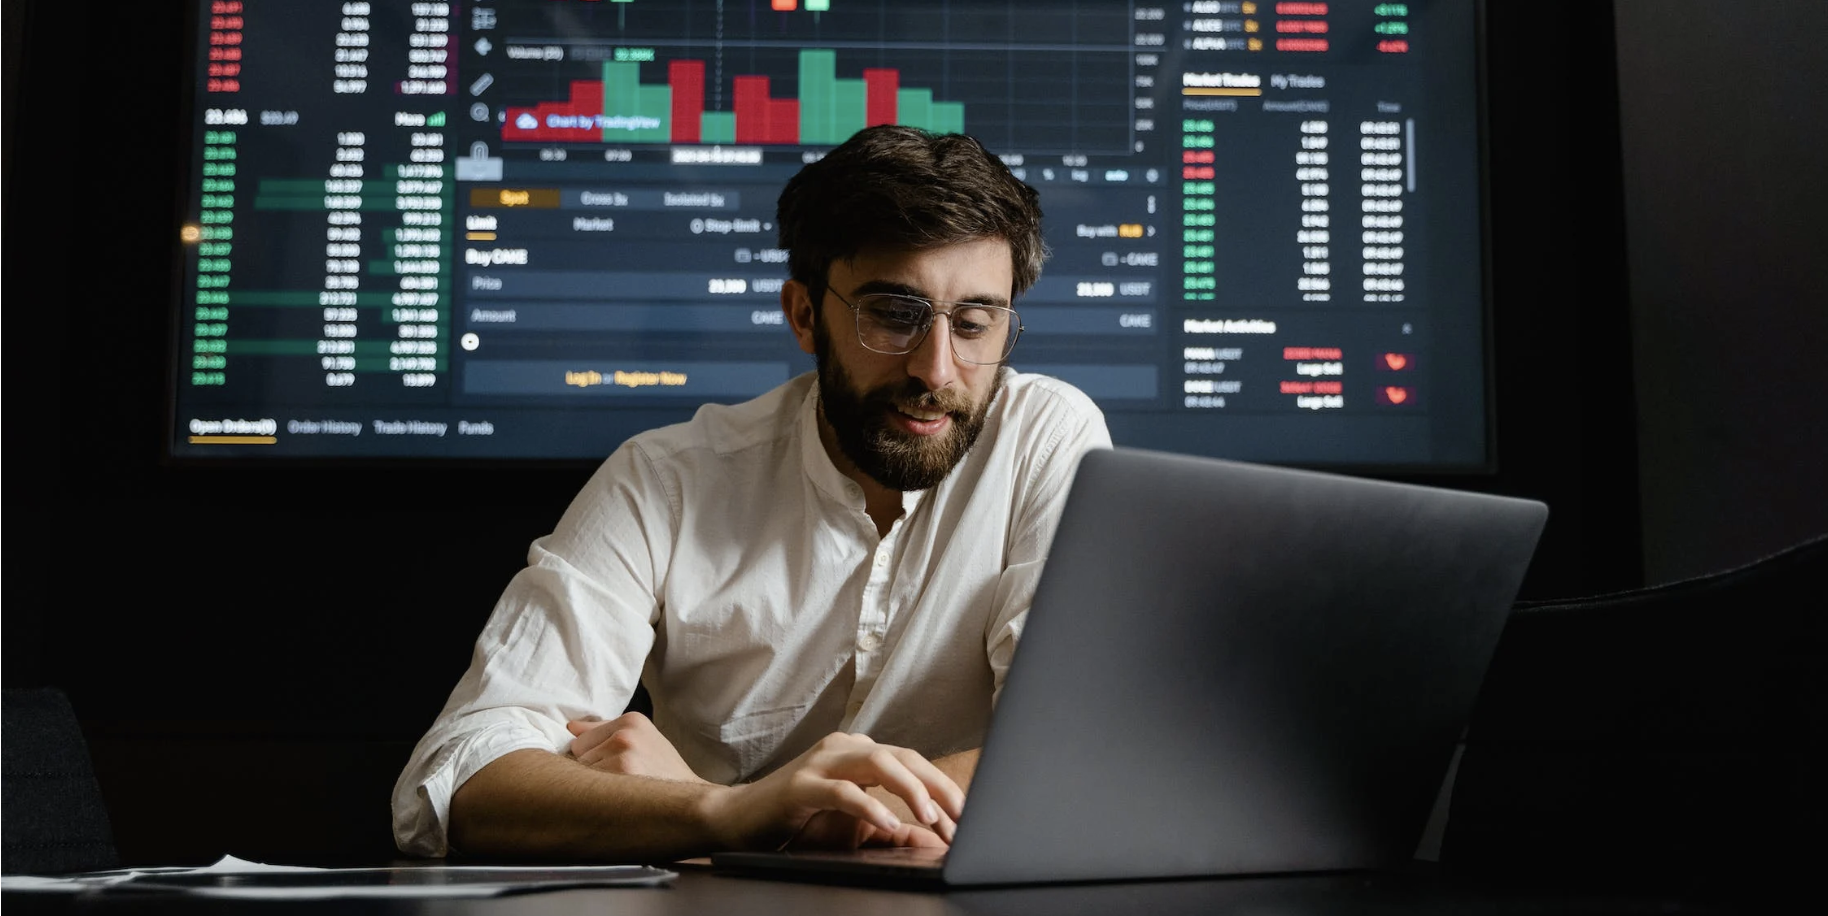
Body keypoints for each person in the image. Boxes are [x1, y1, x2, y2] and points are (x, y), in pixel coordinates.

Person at [391, 125, 1112, 862]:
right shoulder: (662, 480)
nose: (937, 368)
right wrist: (724, 813)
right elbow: (460, 777)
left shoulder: (1047, 439)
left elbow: (1075, 744)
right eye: (894, 315)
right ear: (804, 314)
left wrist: (756, 820)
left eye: (974, 323)